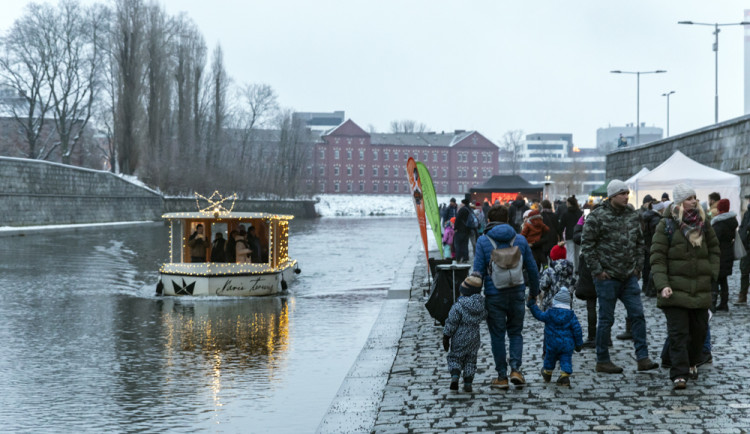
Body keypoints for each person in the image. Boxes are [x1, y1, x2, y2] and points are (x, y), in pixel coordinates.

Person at [581, 179, 659, 374]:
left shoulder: (633, 216)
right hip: (607, 278)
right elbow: (587, 246)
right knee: (606, 319)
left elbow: (640, 243)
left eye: (627, 193)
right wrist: (598, 271)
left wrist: (638, 267)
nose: (626, 196)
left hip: (629, 276)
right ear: (613, 196)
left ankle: (643, 357)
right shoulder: (597, 217)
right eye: (622, 193)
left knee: (638, 315)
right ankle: (602, 359)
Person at [650, 183, 719, 389]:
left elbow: (715, 249)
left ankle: (691, 363)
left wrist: (712, 273)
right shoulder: (667, 224)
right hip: (674, 290)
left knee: (699, 331)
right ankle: (679, 374)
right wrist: (662, 284)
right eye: (689, 198)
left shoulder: (704, 223)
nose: (694, 201)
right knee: (679, 333)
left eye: (695, 197)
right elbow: (658, 257)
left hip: (700, 288)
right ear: (680, 201)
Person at [473, 204, 540, 389]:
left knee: (497, 335)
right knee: (516, 333)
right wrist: (534, 292)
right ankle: (516, 370)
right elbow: (532, 269)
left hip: (494, 295)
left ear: (488, 221)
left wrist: (472, 298)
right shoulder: (520, 239)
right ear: (508, 220)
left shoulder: (483, 241)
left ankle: (501, 377)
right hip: (517, 292)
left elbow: (477, 272)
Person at [527, 288, 583, 386]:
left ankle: (547, 373)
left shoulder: (550, 313)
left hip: (552, 343)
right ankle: (565, 376)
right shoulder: (571, 315)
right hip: (567, 344)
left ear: (555, 302)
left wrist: (532, 305)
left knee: (549, 357)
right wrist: (578, 344)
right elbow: (577, 330)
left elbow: (539, 315)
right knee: (566, 359)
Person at [442, 273, 488, 392]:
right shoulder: (481, 305)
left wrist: (446, 336)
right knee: (471, 360)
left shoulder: (459, 306)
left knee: (455, 357)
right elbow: (485, 315)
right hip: (474, 337)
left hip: (459, 336)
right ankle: (468, 383)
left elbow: (452, 322)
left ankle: (455, 377)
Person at [710, 198, 737, 311]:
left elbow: (714, 239)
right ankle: (724, 303)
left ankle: (713, 303)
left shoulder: (719, 223)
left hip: (719, 255)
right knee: (723, 279)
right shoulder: (732, 221)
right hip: (727, 254)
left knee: (715, 279)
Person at [539, 244, 577, 312]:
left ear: (553, 256)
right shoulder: (571, 270)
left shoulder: (549, 271)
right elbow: (574, 285)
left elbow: (543, 286)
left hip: (550, 306)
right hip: (566, 306)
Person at [559, 196, 583, 271]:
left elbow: (561, 226)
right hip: (579, 235)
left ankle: (570, 271)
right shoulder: (580, 212)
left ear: (569, 203)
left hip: (569, 235)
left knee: (570, 254)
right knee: (577, 254)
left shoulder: (565, 213)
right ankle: (577, 270)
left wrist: (560, 237)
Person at [737, 193, 750, 305]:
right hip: (746, 247)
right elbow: (742, 227)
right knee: (744, 272)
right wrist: (742, 236)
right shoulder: (747, 213)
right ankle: (743, 295)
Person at [539, 200, 560, 266]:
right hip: (553, 238)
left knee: (544, 257)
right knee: (553, 256)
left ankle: (546, 269)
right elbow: (558, 227)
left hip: (543, 238)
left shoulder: (540, 216)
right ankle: (553, 269)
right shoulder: (554, 215)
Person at [453, 198, 473, 262]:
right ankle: (465, 258)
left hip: (460, 230)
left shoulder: (462, 210)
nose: (461, 204)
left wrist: (455, 228)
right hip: (467, 230)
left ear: (463, 203)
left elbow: (457, 219)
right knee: (465, 245)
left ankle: (458, 258)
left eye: (461, 203)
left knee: (458, 244)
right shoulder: (469, 209)